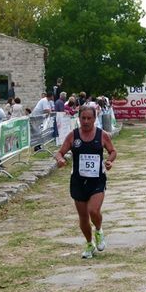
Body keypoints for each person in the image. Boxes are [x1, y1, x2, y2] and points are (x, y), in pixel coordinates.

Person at [55, 105, 117, 259]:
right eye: (83, 118)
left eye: (89, 118)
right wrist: (60, 160)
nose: (86, 121)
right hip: (78, 181)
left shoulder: (102, 135)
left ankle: (99, 230)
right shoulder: (73, 136)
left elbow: (113, 151)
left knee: (93, 211)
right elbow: (59, 152)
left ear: (95, 119)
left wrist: (109, 161)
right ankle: (89, 244)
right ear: (79, 118)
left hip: (97, 180)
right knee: (83, 217)